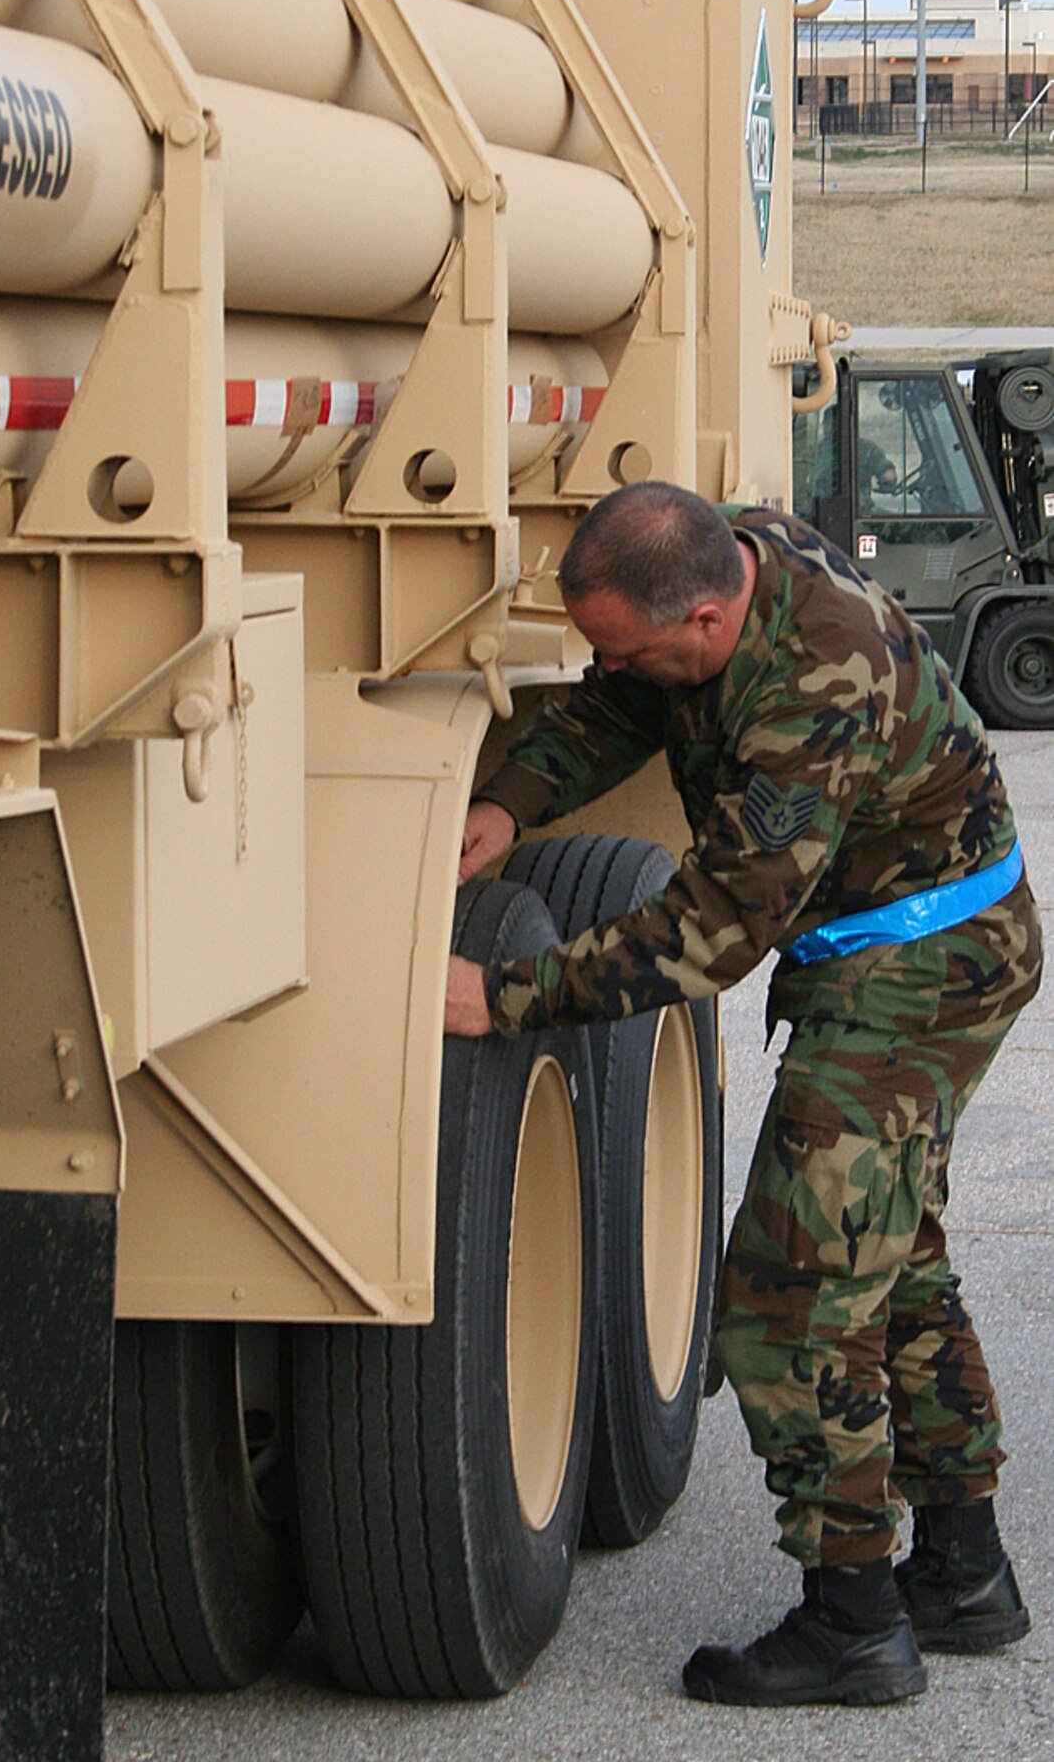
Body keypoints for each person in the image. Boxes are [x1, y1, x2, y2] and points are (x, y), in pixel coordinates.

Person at [446, 481, 1041, 1708]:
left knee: (789, 1295)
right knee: (893, 1256)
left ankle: (853, 1623)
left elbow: (711, 933)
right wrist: (513, 799)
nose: (613, 666)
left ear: (710, 620)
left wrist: (502, 996)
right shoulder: (721, 561)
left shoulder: (817, 685)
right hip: (907, 940)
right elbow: (621, 699)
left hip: (927, 962)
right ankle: (966, 1577)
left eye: (632, 644)